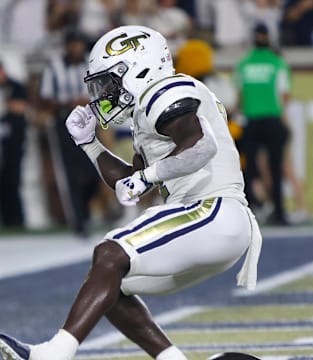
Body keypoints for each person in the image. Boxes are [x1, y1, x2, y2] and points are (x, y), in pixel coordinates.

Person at [0, 25, 262, 360]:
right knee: (109, 286)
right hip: (205, 220)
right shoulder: (145, 113)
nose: (104, 92)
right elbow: (132, 182)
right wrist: (89, 144)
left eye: (110, 81)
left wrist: (148, 176)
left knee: (110, 254)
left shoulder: (167, 89)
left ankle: (52, 354)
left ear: (138, 67)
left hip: (212, 210)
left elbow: (201, 145)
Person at [39, 28, 100, 236]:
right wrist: (68, 103)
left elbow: (101, 94)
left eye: (79, 44)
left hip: (89, 121)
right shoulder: (54, 67)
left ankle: (85, 210)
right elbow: (45, 98)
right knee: (71, 174)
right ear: (66, 46)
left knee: (94, 171)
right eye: (73, 44)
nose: (76, 48)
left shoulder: (90, 66)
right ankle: (79, 221)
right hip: (63, 122)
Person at [234, 23, 290, 225]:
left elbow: (239, 96)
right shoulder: (277, 63)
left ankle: (249, 211)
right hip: (272, 119)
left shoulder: (244, 64)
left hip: (251, 120)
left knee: (248, 168)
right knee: (276, 168)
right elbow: (284, 94)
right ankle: (279, 212)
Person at [0, 62, 28, 227]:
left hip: (12, 143)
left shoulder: (15, 87)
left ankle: (15, 220)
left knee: (12, 180)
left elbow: (19, 109)